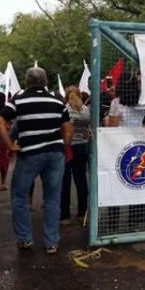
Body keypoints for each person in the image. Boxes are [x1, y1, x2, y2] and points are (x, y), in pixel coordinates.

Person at [0, 67, 72, 255]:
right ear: (45, 82)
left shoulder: (19, 100)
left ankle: (25, 239)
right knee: (53, 199)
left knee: (19, 196)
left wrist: (10, 145)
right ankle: (51, 242)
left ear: (26, 81)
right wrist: (62, 148)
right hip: (54, 154)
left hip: (29, 154)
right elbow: (68, 129)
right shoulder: (58, 101)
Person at [107, 70, 145, 231]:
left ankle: (113, 225)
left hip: (119, 148)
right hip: (138, 147)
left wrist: (106, 120)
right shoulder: (142, 103)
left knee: (115, 188)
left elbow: (112, 127)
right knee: (133, 186)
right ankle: (133, 224)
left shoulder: (117, 103)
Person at [60, 86, 90, 225]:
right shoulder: (85, 110)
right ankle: (82, 213)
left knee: (65, 182)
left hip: (68, 148)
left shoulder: (65, 110)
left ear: (66, 97)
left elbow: (65, 130)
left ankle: (65, 216)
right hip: (82, 147)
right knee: (81, 181)